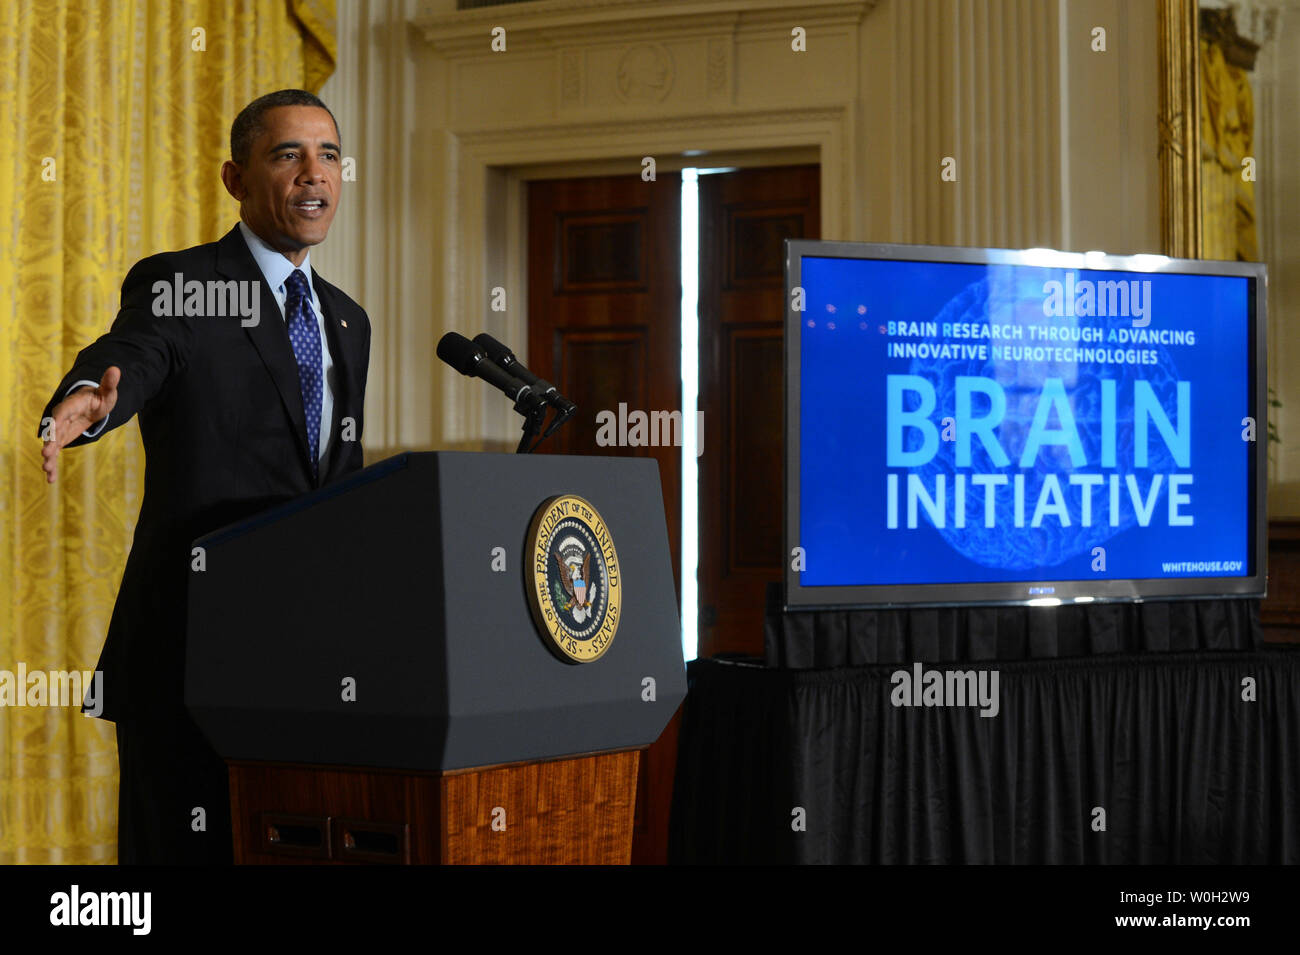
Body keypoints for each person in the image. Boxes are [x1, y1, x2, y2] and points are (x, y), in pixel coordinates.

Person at [37, 89, 371, 864]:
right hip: (192, 648)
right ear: (235, 177)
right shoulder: (184, 284)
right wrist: (90, 395)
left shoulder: (347, 318)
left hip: (310, 659)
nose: (312, 173)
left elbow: (339, 478)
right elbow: (136, 354)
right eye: (287, 154)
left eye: (328, 154)